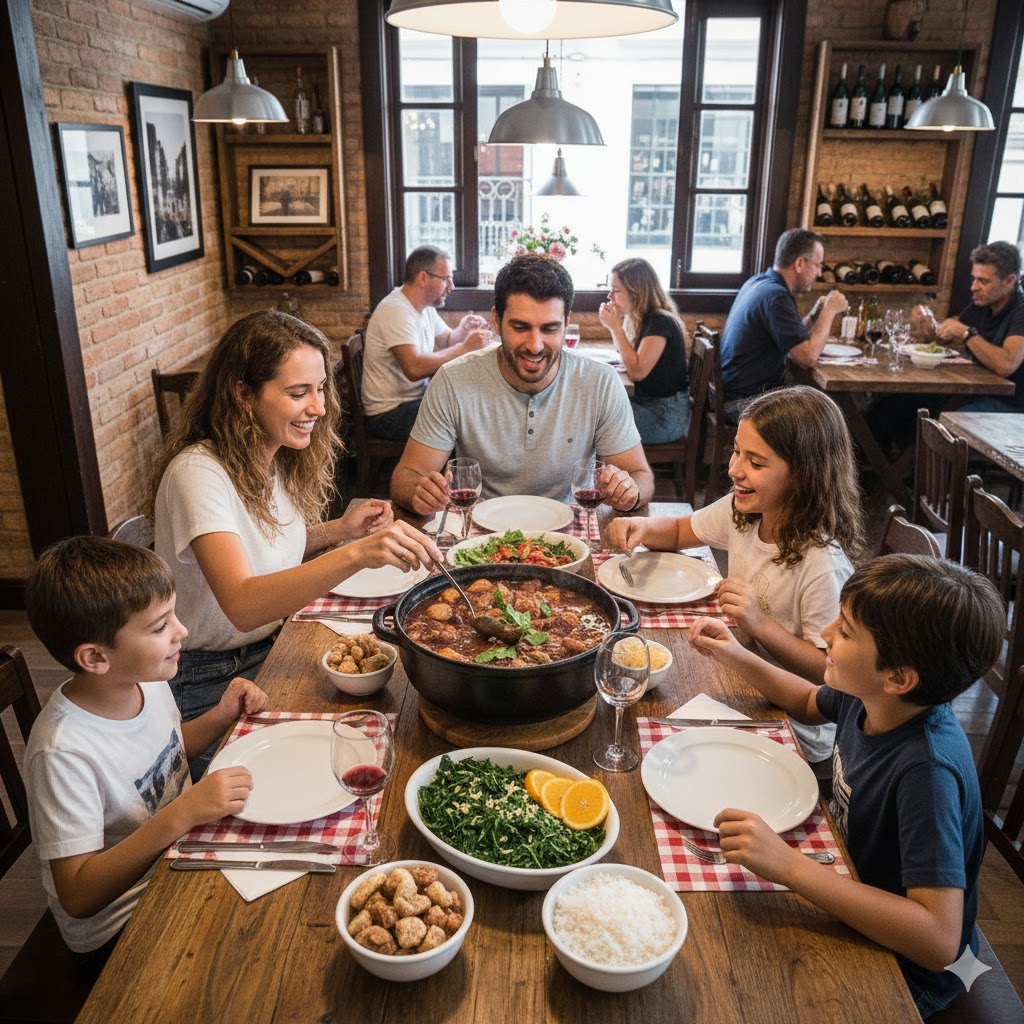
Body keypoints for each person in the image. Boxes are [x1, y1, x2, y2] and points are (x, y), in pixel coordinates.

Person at [688, 554, 1004, 1018]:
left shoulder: (927, 771)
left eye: (846, 631)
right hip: (847, 877)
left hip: (904, 972)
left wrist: (789, 866)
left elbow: (938, 940)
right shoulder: (872, 696)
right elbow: (805, 700)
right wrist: (733, 653)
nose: (827, 635)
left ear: (898, 677)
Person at [152, 311, 441, 775]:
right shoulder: (197, 474)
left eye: (321, 387)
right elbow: (243, 603)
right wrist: (355, 555)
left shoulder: (267, 453)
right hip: (208, 681)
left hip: (269, 649)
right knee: (328, 766)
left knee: (379, 736)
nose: (319, 407)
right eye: (298, 392)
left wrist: (340, 530)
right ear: (243, 395)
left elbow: (262, 547)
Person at [23, 536, 267, 973]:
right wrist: (181, 815)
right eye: (160, 627)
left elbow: (169, 751)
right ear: (96, 657)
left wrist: (219, 716)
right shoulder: (62, 751)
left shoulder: (145, 679)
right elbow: (78, 896)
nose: (182, 631)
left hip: (180, 854)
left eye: (173, 615)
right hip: (119, 925)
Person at [607, 385, 864, 763]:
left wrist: (760, 625)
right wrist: (643, 529)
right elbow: (681, 531)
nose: (734, 469)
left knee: (649, 742)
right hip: (742, 678)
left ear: (804, 476)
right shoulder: (745, 511)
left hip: (793, 730)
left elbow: (831, 674)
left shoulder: (821, 565)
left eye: (756, 463)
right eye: (737, 451)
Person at [390, 254, 655, 514]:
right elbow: (406, 476)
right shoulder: (453, 380)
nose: (535, 345)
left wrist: (630, 492)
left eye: (550, 329)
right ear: (497, 320)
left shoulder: (601, 382)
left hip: (569, 527)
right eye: (520, 327)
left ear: (567, 323)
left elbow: (640, 475)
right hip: (481, 531)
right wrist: (419, 491)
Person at [362, 246, 492, 441]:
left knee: (468, 406)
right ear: (423, 278)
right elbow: (414, 368)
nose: (452, 286)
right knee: (464, 419)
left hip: (412, 401)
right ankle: (454, 468)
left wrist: (463, 331)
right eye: (446, 278)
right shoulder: (396, 310)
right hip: (388, 413)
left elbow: (447, 340)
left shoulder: (424, 307)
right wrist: (465, 347)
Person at [720, 228, 848, 420]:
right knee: (821, 416)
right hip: (742, 403)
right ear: (799, 263)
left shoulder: (759, 282)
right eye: (817, 265)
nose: (820, 273)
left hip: (732, 394)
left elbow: (792, 340)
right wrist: (830, 311)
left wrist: (814, 315)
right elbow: (807, 358)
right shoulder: (776, 297)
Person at [914, 240, 1024, 413]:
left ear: (1009, 281)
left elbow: (1006, 365)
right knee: (905, 405)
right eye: (974, 279)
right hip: (978, 392)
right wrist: (929, 325)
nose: (974, 287)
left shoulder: (1020, 310)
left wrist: (966, 333)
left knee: (949, 424)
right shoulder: (983, 304)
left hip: (1012, 405)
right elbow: (943, 337)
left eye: (983, 281)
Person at [598, 257, 690, 444]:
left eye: (616, 290)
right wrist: (616, 326)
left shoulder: (660, 321)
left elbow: (637, 372)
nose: (610, 296)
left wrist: (615, 328)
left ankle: (605, 472)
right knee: (595, 408)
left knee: (595, 421)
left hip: (664, 416)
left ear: (637, 293)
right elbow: (624, 355)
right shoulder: (641, 317)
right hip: (648, 406)